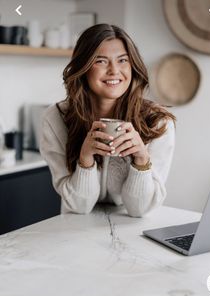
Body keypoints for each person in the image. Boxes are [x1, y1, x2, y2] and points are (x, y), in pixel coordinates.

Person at [40, 23, 176, 217]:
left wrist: (141, 160)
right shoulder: (55, 119)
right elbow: (79, 207)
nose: (114, 70)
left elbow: (140, 210)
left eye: (122, 60)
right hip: (75, 230)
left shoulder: (157, 122)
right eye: (101, 61)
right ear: (84, 67)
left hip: (133, 231)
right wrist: (85, 158)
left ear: (133, 66)